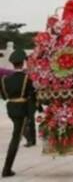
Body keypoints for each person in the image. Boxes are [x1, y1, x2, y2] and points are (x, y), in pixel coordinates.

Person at [1, 50, 36, 178]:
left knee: (17, 133)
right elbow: (32, 94)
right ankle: (6, 169)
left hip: (11, 109)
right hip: (22, 110)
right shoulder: (27, 78)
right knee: (15, 138)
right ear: (23, 63)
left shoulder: (5, 79)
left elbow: (4, 96)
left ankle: (28, 136)